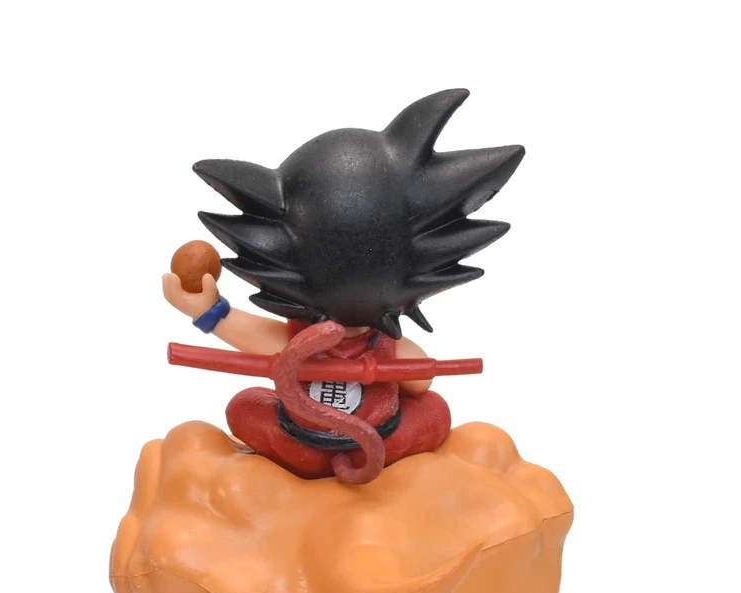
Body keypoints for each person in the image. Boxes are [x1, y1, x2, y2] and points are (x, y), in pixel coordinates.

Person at [163, 88, 524, 483]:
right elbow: (266, 342)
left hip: (379, 438)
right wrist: (208, 310)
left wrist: (389, 365)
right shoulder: (303, 339)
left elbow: (421, 378)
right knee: (245, 407)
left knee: (433, 412)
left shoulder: (380, 344)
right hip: (301, 438)